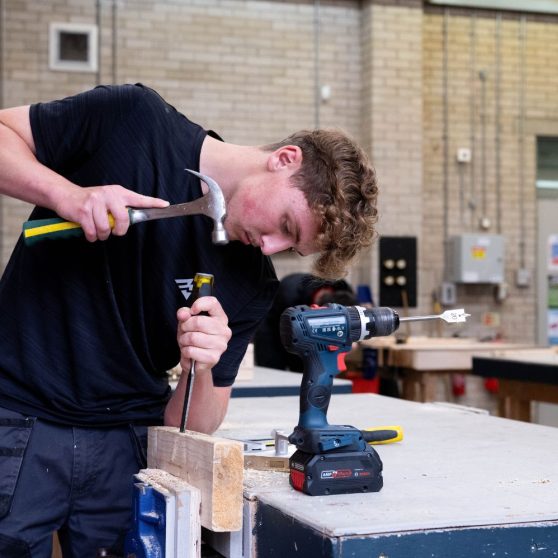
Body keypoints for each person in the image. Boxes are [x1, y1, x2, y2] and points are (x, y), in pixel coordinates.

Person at [0, 83, 378, 557]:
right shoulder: (133, 119)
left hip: (130, 447)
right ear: (285, 159)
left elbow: (194, 423)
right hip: (16, 417)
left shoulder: (252, 282)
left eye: (291, 249)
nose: (270, 249)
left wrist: (200, 360)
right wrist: (68, 195)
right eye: (285, 227)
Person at [254, 272, 358, 371]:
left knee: (306, 370)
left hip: (304, 327)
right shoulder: (289, 295)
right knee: (274, 369)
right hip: (273, 328)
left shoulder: (343, 290)